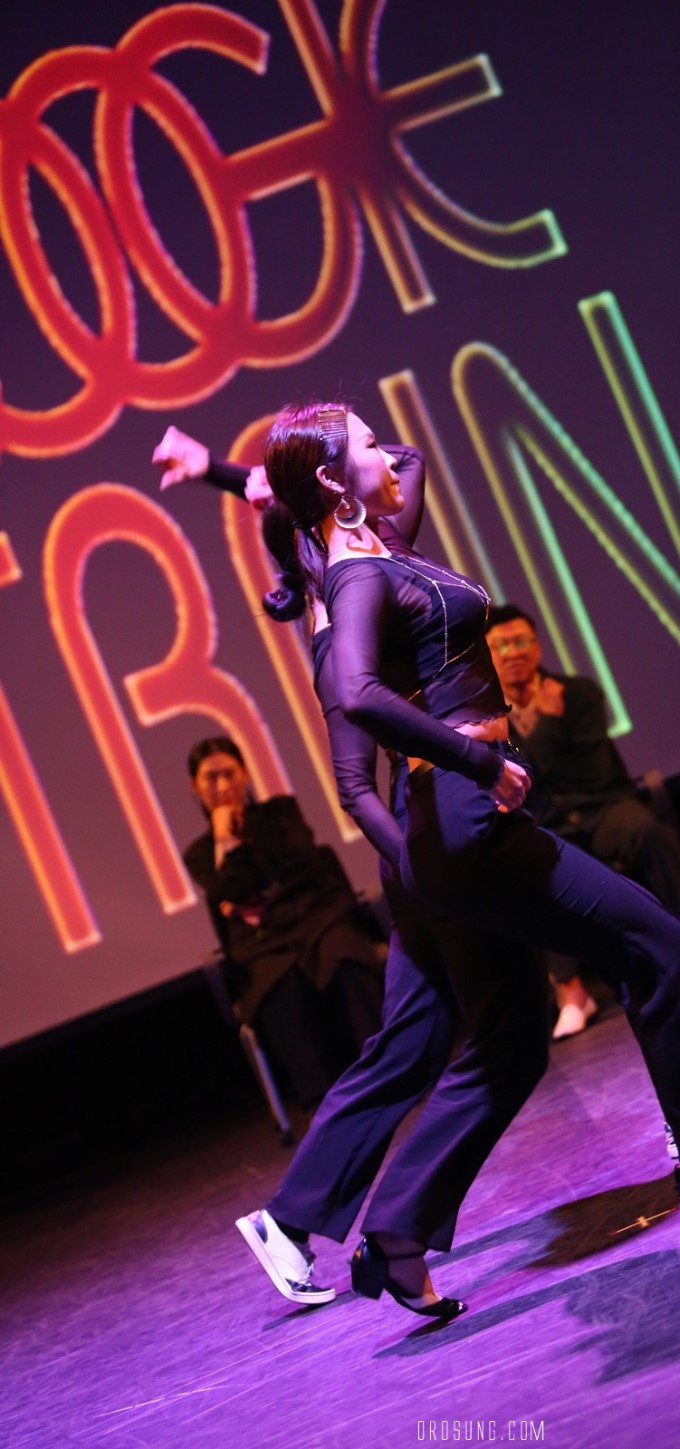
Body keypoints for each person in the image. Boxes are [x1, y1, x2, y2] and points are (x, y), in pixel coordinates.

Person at [251, 399, 680, 1316]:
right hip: (464, 814)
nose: (384, 449)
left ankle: (396, 1232)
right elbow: (355, 693)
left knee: (512, 1038)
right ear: (328, 482)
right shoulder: (355, 580)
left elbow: (409, 461)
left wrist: (331, 474)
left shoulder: (381, 551)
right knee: (653, 940)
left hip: (457, 815)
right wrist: (478, 760)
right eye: (363, 441)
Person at [155, 426, 543, 1322]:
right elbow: (354, 789)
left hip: (426, 849)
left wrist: (227, 472)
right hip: (423, 847)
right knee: (499, 1034)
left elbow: (406, 462)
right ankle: (369, 1226)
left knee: (411, 1039)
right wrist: (420, 866)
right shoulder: (341, 631)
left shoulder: (362, 576)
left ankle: (295, 1220)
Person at [485, 605, 680, 1039]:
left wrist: (546, 743)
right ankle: (572, 995)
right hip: (548, 823)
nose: (513, 652)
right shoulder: (486, 716)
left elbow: (592, 772)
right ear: (486, 653)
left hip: (602, 807)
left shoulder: (579, 693)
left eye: (521, 641)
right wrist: (550, 725)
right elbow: (522, 783)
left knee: (647, 830)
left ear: (537, 647)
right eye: (500, 645)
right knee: (529, 869)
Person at [184, 736, 385, 1113]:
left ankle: (388, 1069)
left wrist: (248, 891)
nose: (222, 785)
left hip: (314, 919)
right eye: (211, 777)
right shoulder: (199, 854)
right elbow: (230, 887)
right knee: (278, 982)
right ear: (194, 785)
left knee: (342, 952)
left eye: (229, 773)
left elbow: (302, 863)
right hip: (264, 943)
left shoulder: (280, 814)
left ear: (245, 774)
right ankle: (325, 1103)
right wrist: (226, 840)